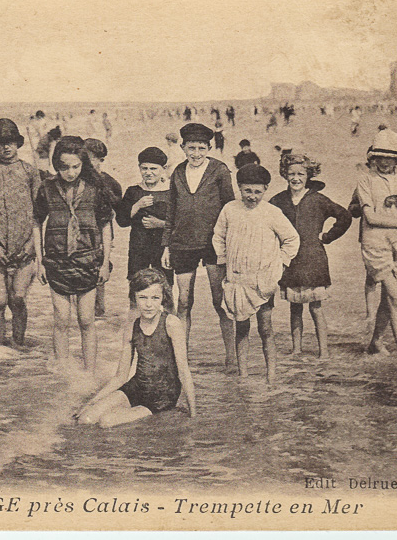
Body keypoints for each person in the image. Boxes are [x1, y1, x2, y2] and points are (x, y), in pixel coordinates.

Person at [74, 269, 196, 427]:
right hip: (136, 388)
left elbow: (184, 372)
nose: (149, 304)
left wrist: (194, 416)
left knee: (106, 422)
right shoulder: (132, 326)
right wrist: (92, 402)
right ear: (134, 298)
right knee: (85, 419)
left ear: (163, 299)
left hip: (161, 397)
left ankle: (160, 414)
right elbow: (120, 376)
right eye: (143, 297)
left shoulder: (171, 324)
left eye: (155, 298)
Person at [160, 123, 237, 371]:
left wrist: (231, 243)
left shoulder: (219, 170)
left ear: (209, 148)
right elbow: (171, 211)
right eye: (191, 148)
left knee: (220, 301)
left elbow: (231, 208)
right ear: (182, 147)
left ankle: (231, 357)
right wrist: (166, 246)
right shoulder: (178, 173)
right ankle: (183, 358)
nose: (196, 153)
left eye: (201, 148)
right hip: (182, 243)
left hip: (214, 243)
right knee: (183, 302)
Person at [33, 136, 113, 373]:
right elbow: (36, 222)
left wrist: (105, 262)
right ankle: (63, 373)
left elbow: (106, 225)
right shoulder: (46, 188)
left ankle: (89, 373)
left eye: (76, 166)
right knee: (61, 320)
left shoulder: (95, 188)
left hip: (87, 259)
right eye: (64, 167)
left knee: (87, 320)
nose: (70, 172)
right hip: (56, 261)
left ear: (83, 164)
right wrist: (39, 261)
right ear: (57, 165)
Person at [214, 164, 299, 383]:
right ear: (240, 188)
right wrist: (224, 261)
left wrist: (279, 265)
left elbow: (291, 239)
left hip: (263, 281)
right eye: (247, 191)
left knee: (266, 327)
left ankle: (271, 375)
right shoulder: (230, 209)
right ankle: (243, 375)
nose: (252, 196)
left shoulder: (271, 212)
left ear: (265, 190)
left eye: (257, 192)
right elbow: (218, 236)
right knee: (241, 328)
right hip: (237, 279)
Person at [269, 154, 351, 357]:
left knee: (316, 307)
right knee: (295, 308)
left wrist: (328, 236)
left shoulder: (317, 199)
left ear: (308, 176)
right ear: (285, 175)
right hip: (290, 262)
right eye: (291, 174)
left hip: (314, 260)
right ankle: (297, 350)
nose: (295, 178)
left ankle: (324, 352)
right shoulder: (278, 201)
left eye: (300, 174)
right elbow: (265, 223)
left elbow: (345, 216)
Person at [355, 129, 397, 368]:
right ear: (372, 158)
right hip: (374, 244)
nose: (384, 162)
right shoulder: (365, 179)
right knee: (395, 296)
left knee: (388, 299)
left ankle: (376, 341)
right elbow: (370, 217)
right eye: (379, 157)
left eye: (389, 158)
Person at [0, 118, 41, 347]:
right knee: (0, 300)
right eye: (1, 143)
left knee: (19, 298)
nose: (5, 147)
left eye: (10, 142)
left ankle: (19, 344)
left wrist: (31, 245)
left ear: (18, 144)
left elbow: (39, 214)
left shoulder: (30, 172)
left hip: (24, 246)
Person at [115, 147, 174, 296]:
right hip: (138, 248)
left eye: (153, 168)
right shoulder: (133, 191)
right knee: (136, 289)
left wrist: (159, 224)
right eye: (144, 168)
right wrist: (137, 205)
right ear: (139, 168)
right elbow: (122, 221)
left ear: (163, 169)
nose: (148, 172)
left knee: (164, 290)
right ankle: (135, 318)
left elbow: (181, 224)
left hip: (163, 248)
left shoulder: (171, 192)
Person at [83, 138, 122, 317]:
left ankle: (98, 312)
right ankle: (86, 313)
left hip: (102, 234)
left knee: (99, 273)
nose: (87, 163)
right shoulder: (77, 180)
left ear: (101, 159)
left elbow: (119, 210)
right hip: (80, 234)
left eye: (91, 158)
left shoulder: (109, 182)